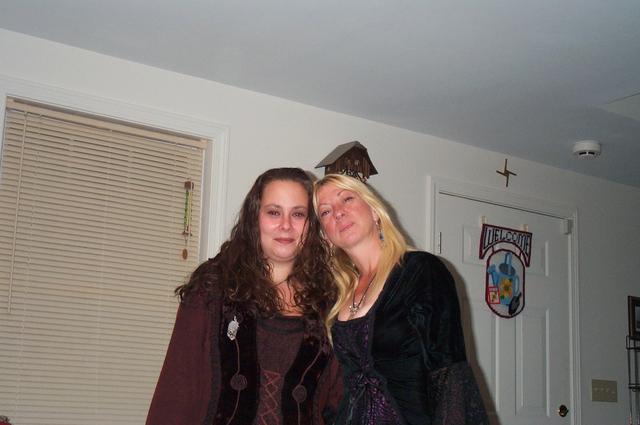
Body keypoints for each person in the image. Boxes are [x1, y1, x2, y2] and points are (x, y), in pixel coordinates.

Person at [146, 167, 342, 425]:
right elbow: (177, 388)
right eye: (274, 212)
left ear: (311, 225)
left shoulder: (331, 303)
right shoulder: (214, 287)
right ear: (254, 218)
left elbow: (338, 402)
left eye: (298, 214)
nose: (285, 225)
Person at [314, 174, 488, 425]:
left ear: (375, 211)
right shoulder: (337, 297)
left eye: (347, 199)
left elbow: (449, 373)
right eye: (325, 212)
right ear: (326, 236)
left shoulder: (420, 271)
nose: (338, 212)